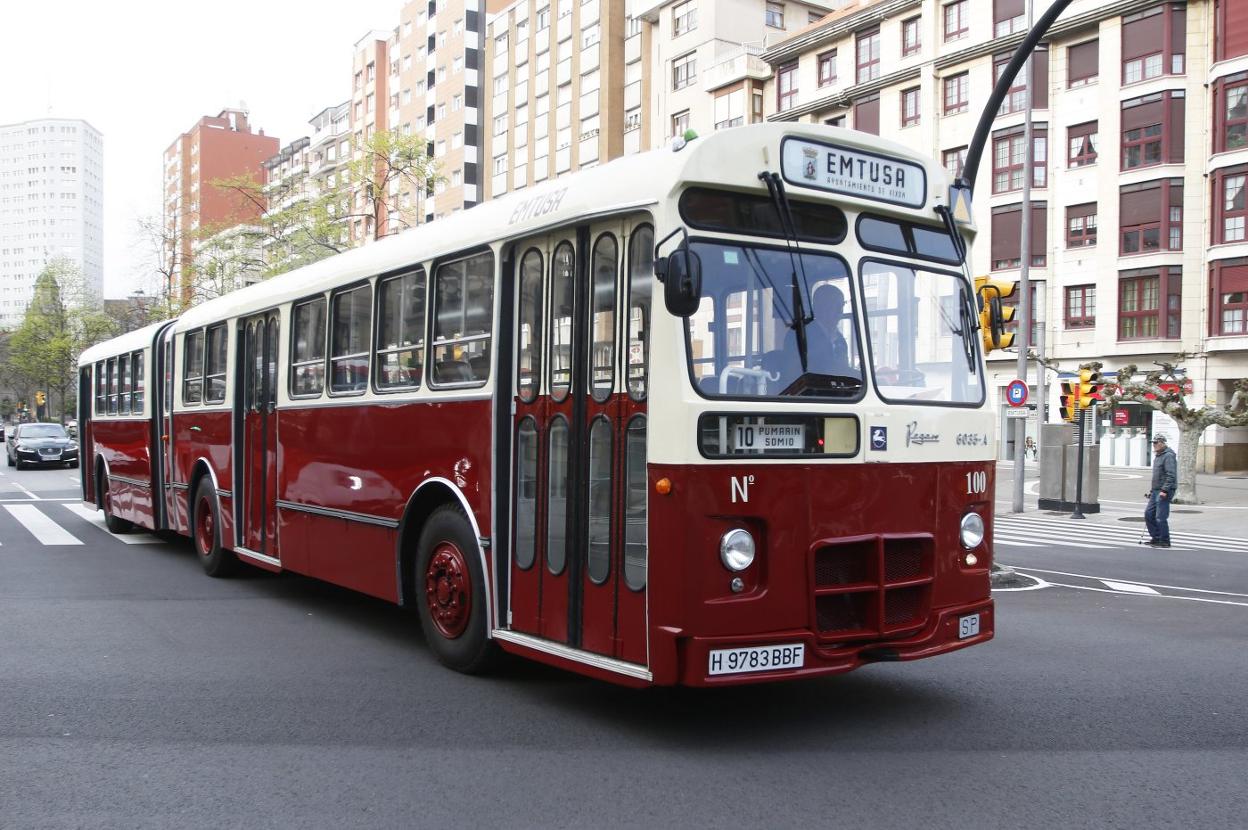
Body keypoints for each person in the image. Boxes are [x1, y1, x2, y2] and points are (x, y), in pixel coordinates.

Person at [1144, 433, 1177, 547]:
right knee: (1149, 514)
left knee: (1160, 516)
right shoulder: (1158, 455)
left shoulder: (1168, 456)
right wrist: (1152, 490)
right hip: (1156, 490)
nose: (1154, 445)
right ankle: (1156, 537)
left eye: (1156, 443)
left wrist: (1165, 490)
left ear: (1162, 443)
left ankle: (1165, 540)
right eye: (1153, 443)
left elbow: (1171, 475)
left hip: (1164, 490)